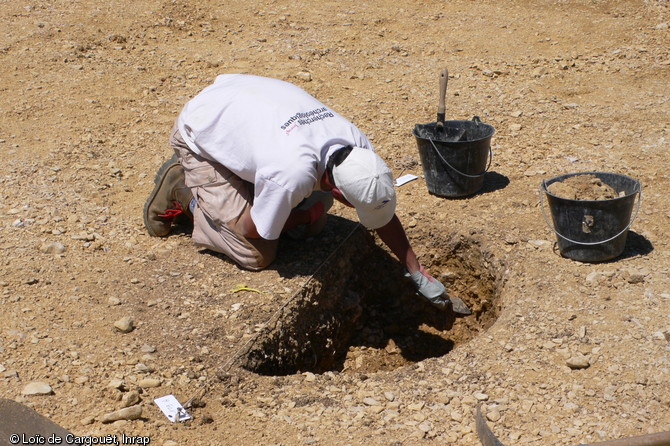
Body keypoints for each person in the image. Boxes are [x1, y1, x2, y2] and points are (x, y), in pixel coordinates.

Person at [143, 74, 460, 312]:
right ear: (335, 187)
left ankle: (251, 184)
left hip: (242, 105)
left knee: (312, 219)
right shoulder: (291, 174)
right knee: (258, 253)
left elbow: (381, 209)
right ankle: (184, 192)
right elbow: (251, 228)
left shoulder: (359, 149)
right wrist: (307, 214)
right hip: (201, 130)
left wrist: (415, 271)